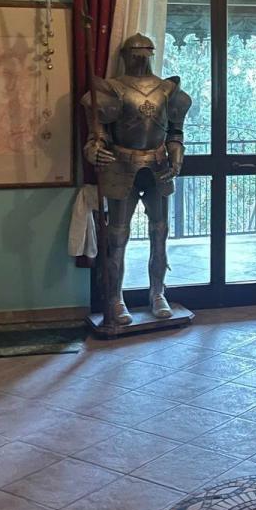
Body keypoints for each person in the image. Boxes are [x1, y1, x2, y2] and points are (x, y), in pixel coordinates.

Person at [83, 33, 192, 326]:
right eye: (135, 52)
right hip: (121, 165)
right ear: (125, 55)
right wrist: (94, 150)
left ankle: (158, 293)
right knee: (117, 237)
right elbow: (98, 135)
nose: (140, 57)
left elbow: (175, 132)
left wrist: (177, 158)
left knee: (160, 234)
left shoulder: (168, 89)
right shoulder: (112, 89)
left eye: (145, 52)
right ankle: (115, 298)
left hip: (158, 165)